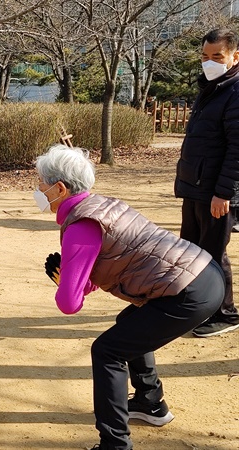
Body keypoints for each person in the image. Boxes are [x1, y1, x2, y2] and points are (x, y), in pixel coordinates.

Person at [36, 145, 224, 450]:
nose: (39, 191)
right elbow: (112, 267)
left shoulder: (81, 225)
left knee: (108, 351)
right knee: (129, 324)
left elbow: (69, 304)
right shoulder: (102, 206)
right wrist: (76, 279)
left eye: (41, 184)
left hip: (189, 291)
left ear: (60, 187)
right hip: (205, 273)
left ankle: (115, 445)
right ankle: (150, 403)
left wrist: (64, 284)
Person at [174, 28, 239, 337]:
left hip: (216, 192)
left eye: (217, 57)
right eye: (205, 56)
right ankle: (197, 305)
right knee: (191, 250)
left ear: (234, 57)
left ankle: (224, 313)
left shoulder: (235, 91)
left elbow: (237, 149)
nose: (209, 62)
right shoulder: (210, 88)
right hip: (196, 186)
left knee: (213, 254)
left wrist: (223, 193)